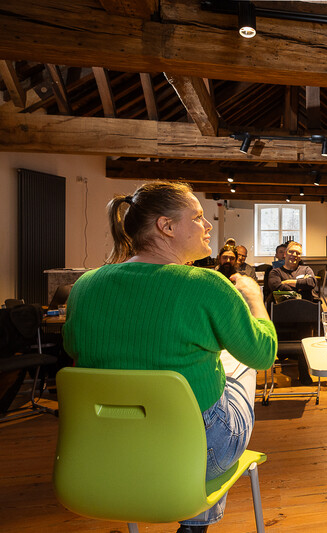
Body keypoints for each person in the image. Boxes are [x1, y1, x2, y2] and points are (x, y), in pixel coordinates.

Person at [63, 182, 277, 533]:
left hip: (110, 450)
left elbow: (75, 350)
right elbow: (265, 353)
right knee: (241, 363)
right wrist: (254, 298)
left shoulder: (85, 286)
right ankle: (195, 523)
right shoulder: (207, 284)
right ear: (166, 226)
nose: (208, 226)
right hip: (200, 453)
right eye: (197, 217)